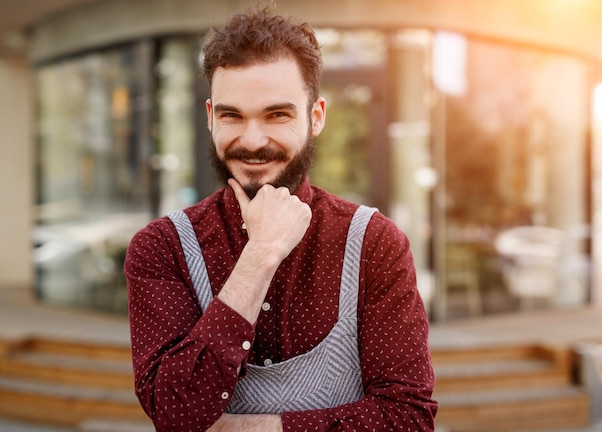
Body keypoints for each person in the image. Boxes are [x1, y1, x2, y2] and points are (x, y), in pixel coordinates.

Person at [124, 6, 438, 432]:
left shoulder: (374, 243)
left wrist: (250, 428)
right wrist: (261, 255)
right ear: (210, 116)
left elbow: (408, 418)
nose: (252, 141)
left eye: (277, 114)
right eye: (232, 115)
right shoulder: (161, 248)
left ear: (316, 117)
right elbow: (174, 412)